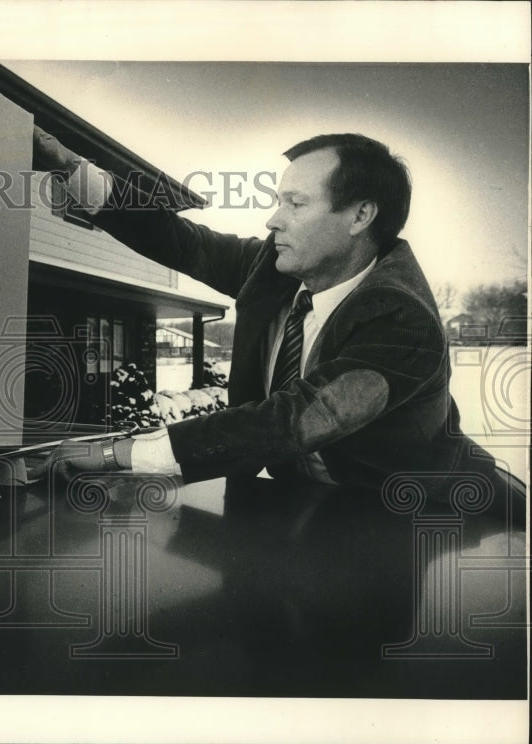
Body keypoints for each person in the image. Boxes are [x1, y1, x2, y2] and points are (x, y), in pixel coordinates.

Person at [31, 127, 524, 511]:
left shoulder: (400, 318)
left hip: (440, 521)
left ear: (359, 216)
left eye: (296, 203)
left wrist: (117, 454)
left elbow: (296, 420)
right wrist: (72, 168)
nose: (273, 220)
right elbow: (183, 241)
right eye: (277, 201)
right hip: (317, 513)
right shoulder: (274, 268)